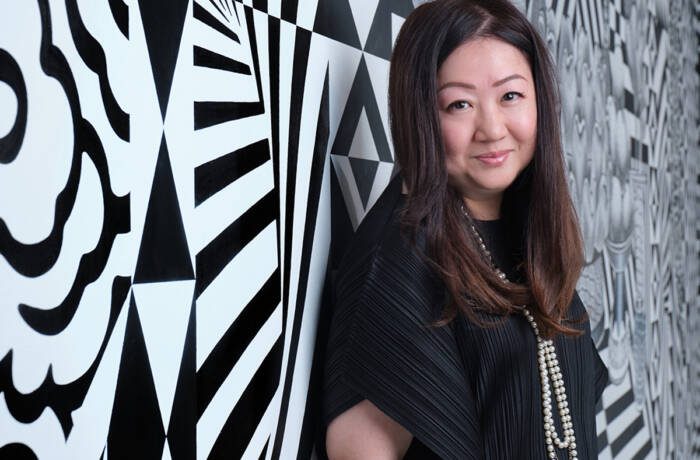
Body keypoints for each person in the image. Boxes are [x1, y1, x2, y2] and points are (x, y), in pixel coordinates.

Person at [322, 0, 609, 458]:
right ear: (421, 116)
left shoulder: (526, 231)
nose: (492, 128)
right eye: (459, 104)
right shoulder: (399, 263)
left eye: (510, 95)